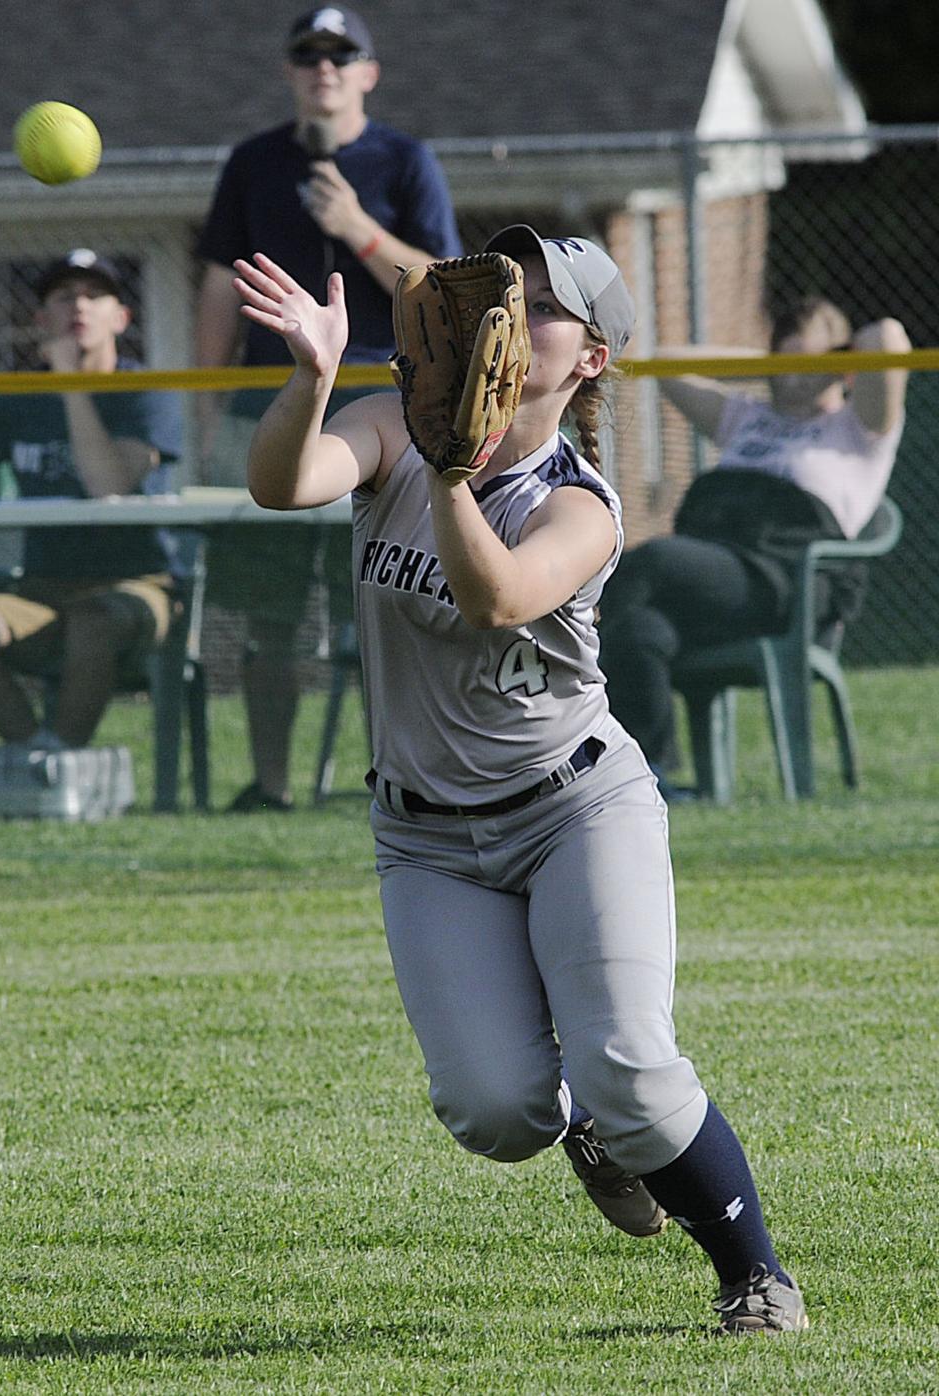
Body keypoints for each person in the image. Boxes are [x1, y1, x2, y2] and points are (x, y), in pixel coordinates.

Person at [229, 225, 808, 1334]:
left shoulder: (581, 500)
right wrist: (312, 381)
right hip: (427, 838)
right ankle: (584, 1123)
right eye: (500, 285)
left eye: (540, 302)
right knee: (497, 1112)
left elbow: (494, 595)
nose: (505, 308)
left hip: (575, 808)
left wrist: (453, 469)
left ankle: (755, 1276)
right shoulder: (395, 423)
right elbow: (282, 482)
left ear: (589, 356)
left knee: (632, 1067)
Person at [195, 5, 461, 810]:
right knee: (269, 617)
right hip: (272, 406)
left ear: (369, 73)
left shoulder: (404, 161)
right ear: (290, 71)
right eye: (309, 55)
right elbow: (218, 283)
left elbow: (446, 285)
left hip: (388, 411)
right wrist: (205, 403)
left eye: (342, 56)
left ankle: (412, 775)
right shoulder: (253, 162)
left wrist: (359, 229)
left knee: (396, 599)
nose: (325, 68)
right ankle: (272, 786)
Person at [597, 297, 911, 795]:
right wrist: (766, 361)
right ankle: (649, 780)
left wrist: (834, 363)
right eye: (785, 365)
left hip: (781, 581)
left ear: (842, 362)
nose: (794, 379)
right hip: (713, 571)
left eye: (811, 365)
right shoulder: (746, 416)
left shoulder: (861, 428)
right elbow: (670, 362)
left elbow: (888, 333)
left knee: (647, 563)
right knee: (636, 630)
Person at [0, 249, 183, 750]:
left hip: (140, 587)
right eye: (65, 296)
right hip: (44, 590)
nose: (80, 307)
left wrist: (70, 387)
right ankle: (37, 758)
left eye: (95, 296)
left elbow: (108, 485)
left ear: (121, 317)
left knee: (94, 622)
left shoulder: (148, 392)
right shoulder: (15, 395)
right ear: (41, 320)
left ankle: (62, 760)